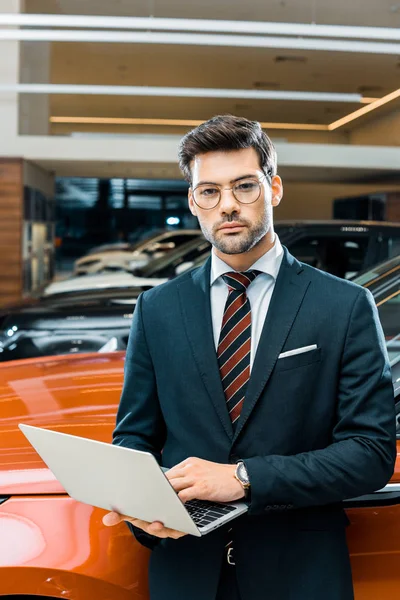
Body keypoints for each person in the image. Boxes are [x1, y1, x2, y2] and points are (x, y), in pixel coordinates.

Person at [103, 115, 396, 600]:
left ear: (274, 188)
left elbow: (370, 453)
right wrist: (146, 511)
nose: (228, 206)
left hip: (300, 576)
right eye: (209, 192)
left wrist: (243, 478)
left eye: (244, 186)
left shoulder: (343, 306)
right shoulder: (157, 308)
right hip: (186, 573)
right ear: (194, 201)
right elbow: (135, 434)